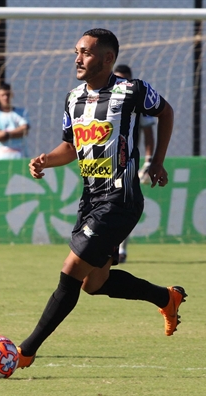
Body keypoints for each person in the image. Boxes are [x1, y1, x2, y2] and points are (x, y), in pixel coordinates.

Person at [16, 28, 187, 369]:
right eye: (77, 51)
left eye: (87, 53)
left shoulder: (131, 91)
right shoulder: (72, 98)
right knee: (95, 284)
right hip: (90, 200)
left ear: (108, 59)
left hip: (120, 199)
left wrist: (157, 161)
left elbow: (166, 112)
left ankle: (24, 351)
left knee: (71, 272)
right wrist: (45, 160)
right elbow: (70, 146)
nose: (78, 58)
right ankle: (166, 297)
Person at [113, 64, 156, 264]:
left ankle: (121, 250)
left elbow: (149, 134)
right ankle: (109, 247)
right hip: (104, 164)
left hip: (128, 163)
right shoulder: (104, 100)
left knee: (124, 206)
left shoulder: (138, 104)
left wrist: (149, 161)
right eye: (117, 78)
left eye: (124, 79)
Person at [0, 82, 29, 160]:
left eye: (7, 94)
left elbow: (25, 130)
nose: (5, 97)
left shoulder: (21, 112)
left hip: (20, 155)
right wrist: (16, 132)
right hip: (2, 156)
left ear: (12, 95)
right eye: (2, 95)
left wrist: (5, 134)